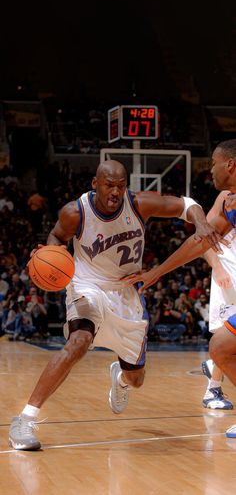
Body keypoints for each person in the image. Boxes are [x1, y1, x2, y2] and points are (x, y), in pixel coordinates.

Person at [8, 159, 225, 451]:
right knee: (79, 341)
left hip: (126, 292)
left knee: (137, 380)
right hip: (87, 285)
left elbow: (187, 204)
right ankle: (25, 418)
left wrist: (199, 221)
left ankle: (121, 377)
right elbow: (57, 236)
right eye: (109, 185)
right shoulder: (76, 212)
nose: (115, 192)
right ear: (95, 184)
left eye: (121, 186)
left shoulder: (139, 204)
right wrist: (51, 253)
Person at [123, 139, 236, 437]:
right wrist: (156, 273)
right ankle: (214, 390)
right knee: (221, 347)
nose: (209, 169)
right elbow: (200, 241)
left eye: (213, 162)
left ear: (230, 165)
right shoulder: (228, 201)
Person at [201, 191, 234, 410]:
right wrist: (218, 267)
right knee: (225, 336)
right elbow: (203, 238)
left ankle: (214, 369)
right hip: (228, 274)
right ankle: (212, 389)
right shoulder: (225, 196)